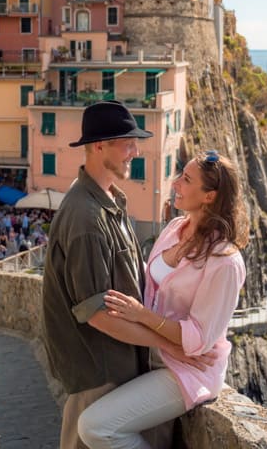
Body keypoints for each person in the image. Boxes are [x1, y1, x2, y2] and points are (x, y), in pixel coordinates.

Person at [42, 101, 213, 449]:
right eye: (127, 142)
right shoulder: (86, 218)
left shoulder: (110, 202)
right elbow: (99, 316)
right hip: (98, 370)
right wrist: (171, 346)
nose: (135, 151)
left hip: (119, 366)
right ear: (99, 145)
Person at [77, 150, 249, 449]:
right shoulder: (174, 230)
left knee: (96, 428)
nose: (175, 184)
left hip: (186, 370)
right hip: (150, 350)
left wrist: (142, 315)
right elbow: (149, 281)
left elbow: (198, 342)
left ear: (209, 196)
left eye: (186, 179)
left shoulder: (224, 262)